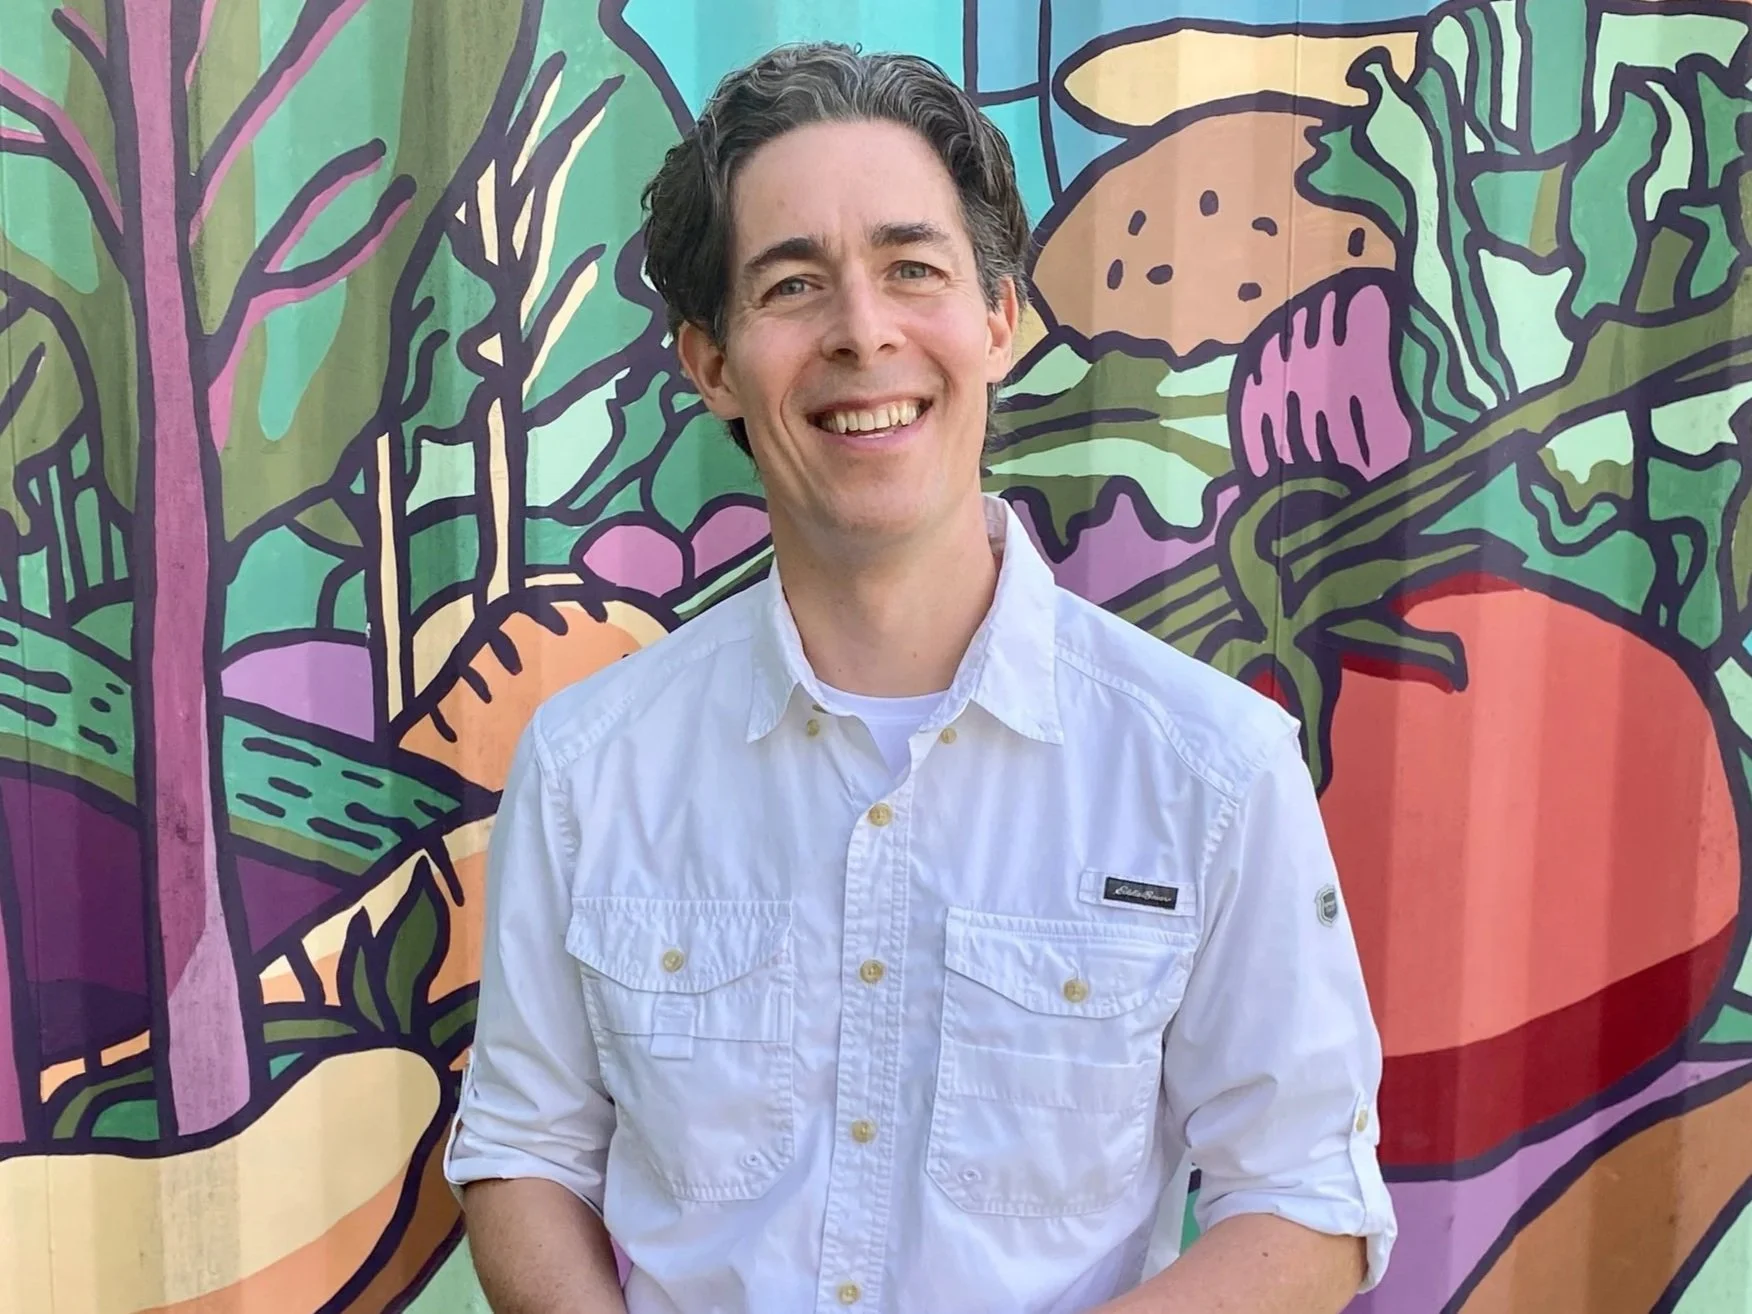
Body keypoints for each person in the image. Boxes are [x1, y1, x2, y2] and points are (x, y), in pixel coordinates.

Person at [443, 42, 1396, 1314]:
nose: (863, 331)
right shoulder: (589, 766)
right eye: (793, 285)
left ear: (998, 319)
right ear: (712, 363)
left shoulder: (1212, 770)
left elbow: (1307, 1201)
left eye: (912, 269)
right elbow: (524, 1152)